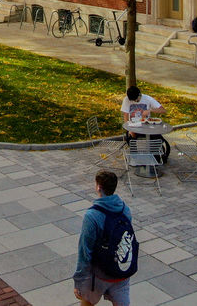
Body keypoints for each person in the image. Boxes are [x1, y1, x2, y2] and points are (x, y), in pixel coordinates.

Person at [73, 170, 134, 306]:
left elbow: (85, 251)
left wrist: (79, 281)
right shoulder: (125, 209)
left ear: (98, 187)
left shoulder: (92, 215)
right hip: (121, 271)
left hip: (99, 275)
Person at [120, 86, 169, 162]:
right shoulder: (126, 99)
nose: (135, 101)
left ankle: (155, 158)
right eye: (133, 100)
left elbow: (163, 110)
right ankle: (135, 159)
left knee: (157, 138)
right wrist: (129, 129)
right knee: (130, 139)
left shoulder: (147, 99)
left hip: (146, 126)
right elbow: (125, 116)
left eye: (137, 100)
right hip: (132, 127)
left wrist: (150, 110)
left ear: (140, 95)